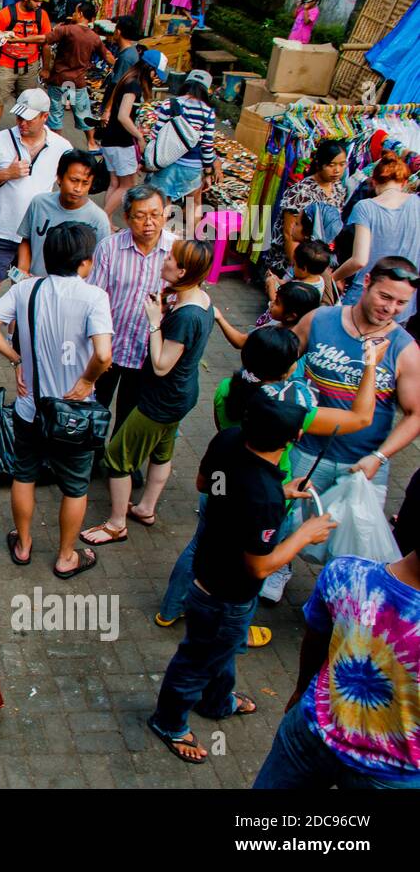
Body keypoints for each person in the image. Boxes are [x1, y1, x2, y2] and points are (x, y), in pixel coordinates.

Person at [147, 395, 336, 764]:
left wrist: (273, 495)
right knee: (197, 658)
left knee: (221, 648)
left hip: (208, 565)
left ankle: (217, 701)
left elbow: (209, 483)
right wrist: (304, 535)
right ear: (293, 438)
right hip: (225, 593)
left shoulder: (229, 440)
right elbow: (260, 568)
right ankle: (168, 722)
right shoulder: (262, 497)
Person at [155, 327, 380, 632]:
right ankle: (236, 631)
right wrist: (370, 365)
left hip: (220, 490)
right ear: (293, 435)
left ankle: (170, 609)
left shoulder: (225, 390)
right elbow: (361, 418)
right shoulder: (291, 411)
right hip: (255, 502)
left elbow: (206, 481)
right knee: (246, 571)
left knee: (200, 545)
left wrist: (223, 491)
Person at [279, 258, 420, 604]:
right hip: (306, 451)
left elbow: (416, 414)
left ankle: (333, 602)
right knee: (286, 518)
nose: (391, 309)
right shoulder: (320, 320)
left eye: (401, 303)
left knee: (352, 541)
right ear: (367, 281)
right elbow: (280, 361)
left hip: (364, 464)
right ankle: (277, 571)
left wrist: (379, 456)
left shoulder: (405, 349)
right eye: (385, 297)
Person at [0, 223, 113, 577]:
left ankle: (23, 545)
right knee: (75, 487)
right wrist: (87, 380)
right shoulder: (94, 297)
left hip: (29, 409)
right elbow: (104, 354)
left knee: (24, 476)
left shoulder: (26, 289)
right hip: (75, 415)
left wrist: (16, 358)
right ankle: (66, 555)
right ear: (85, 262)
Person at [81, 237, 214, 549]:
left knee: (116, 457)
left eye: (171, 259)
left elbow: (161, 364)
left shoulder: (185, 315)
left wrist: (155, 323)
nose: (164, 260)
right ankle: (146, 508)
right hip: (183, 395)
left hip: (161, 398)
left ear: (182, 272)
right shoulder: (201, 301)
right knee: (161, 452)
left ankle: (116, 524)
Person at [254, 547, 420, 788]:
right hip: (395, 772)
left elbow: (316, 639)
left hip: (314, 729)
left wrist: (301, 690)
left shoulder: (345, 573)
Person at [0, 89, 73, 364]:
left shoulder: (61, 148)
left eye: (30, 118)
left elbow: (67, 187)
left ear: (45, 116)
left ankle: (14, 336)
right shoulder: (0, 140)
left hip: (35, 236)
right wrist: (6, 174)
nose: (22, 123)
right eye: (20, 117)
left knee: (23, 287)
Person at [89, 184, 175, 431]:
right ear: (126, 217)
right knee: (96, 408)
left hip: (147, 351)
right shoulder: (109, 247)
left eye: (155, 214)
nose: (149, 222)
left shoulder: (175, 251)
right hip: (108, 348)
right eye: (140, 216)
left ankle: (119, 466)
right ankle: (91, 458)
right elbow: (95, 299)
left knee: (130, 414)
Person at [334, 152, 420, 322]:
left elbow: (359, 260)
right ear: (403, 183)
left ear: (373, 182)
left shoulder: (365, 207)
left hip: (366, 297)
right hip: (401, 303)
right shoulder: (417, 204)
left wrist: (333, 277)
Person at [145, 68, 221, 237]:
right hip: (193, 167)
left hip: (168, 163)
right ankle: (192, 242)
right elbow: (207, 146)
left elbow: (155, 136)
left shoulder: (169, 104)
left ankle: (158, 239)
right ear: (205, 89)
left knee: (163, 203)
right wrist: (208, 170)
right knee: (194, 203)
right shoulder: (207, 112)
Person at [260, 139, 347, 282]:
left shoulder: (338, 189)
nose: (337, 170)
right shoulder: (301, 192)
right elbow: (289, 235)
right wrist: (299, 269)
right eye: (331, 165)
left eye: (342, 164)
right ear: (319, 163)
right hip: (293, 262)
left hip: (316, 261)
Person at [16, 149, 111, 277]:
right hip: (33, 285)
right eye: (73, 180)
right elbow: (26, 239)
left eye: (85, 183)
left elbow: (99, 262)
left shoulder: (98, 220)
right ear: (59, 178)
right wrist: (23, 271)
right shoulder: (39, 203)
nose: (78, 189)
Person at [97, 49, 168, 218]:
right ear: (148, 69)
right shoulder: (134, 85)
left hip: (110, 139)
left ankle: (105, 222)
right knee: (127, 185)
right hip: (121, 141)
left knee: (115, 184)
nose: (155, 78)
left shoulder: (127, 79)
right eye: (155, 73)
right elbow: (123, 115)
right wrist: (139, 136)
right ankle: (101, 219)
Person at [0, 0, 52, 140]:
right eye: (36, 1)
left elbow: (45, 43)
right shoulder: (6, 14)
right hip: (6, 64)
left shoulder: (42, 15)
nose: (39, 4)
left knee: (29, 103)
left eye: (41, 1)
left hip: (30, 66)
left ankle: (23, 133)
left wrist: (46, 68)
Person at [42, 2, 114, 148]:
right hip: (77, 83)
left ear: (80, 14)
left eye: (75, 12)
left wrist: (16, 39)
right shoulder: (94, 37)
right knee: (83, 114)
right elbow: (107, 56)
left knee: (56, 114)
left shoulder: (66, 30)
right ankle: (92, 143)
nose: (73, 14)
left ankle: (56, 145)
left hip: (59, 80)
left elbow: (44, 40)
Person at [215, 278, 320, 350]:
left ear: (291, 316)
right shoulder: (307, 336)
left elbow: (239, 341)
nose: (272, 303)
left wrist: (219, 318)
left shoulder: (272, 333)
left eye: (277, 302)